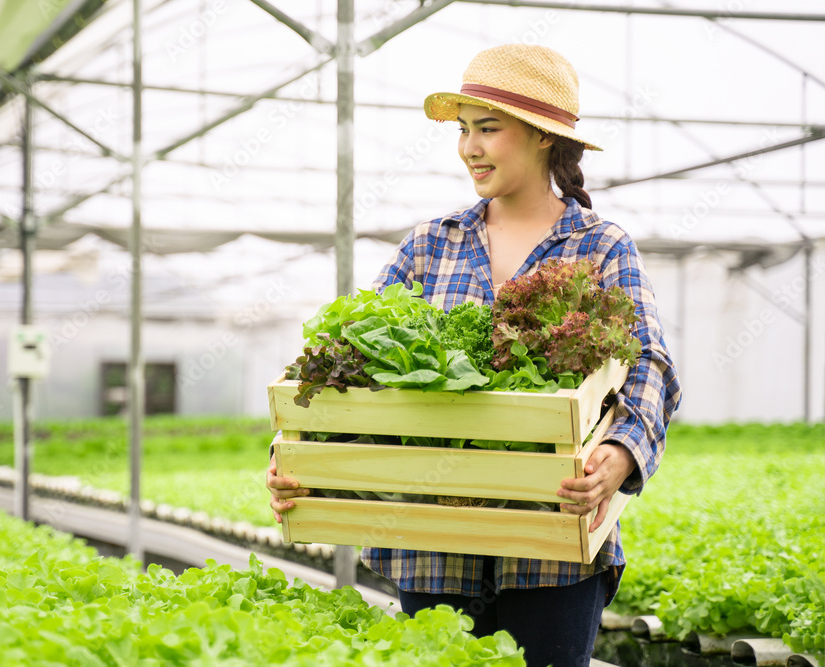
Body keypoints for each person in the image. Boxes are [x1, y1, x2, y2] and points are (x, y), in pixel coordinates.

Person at [266, 44, 682, 667]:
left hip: (552, 537)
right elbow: (349, 359)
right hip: (434, 546)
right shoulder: (431, 245)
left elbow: (651, 364)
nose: (469, 147)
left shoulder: (600, 246)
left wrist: (620, 453)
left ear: (544, 137)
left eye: (488, 129)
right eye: (463, 131)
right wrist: (301, 454)